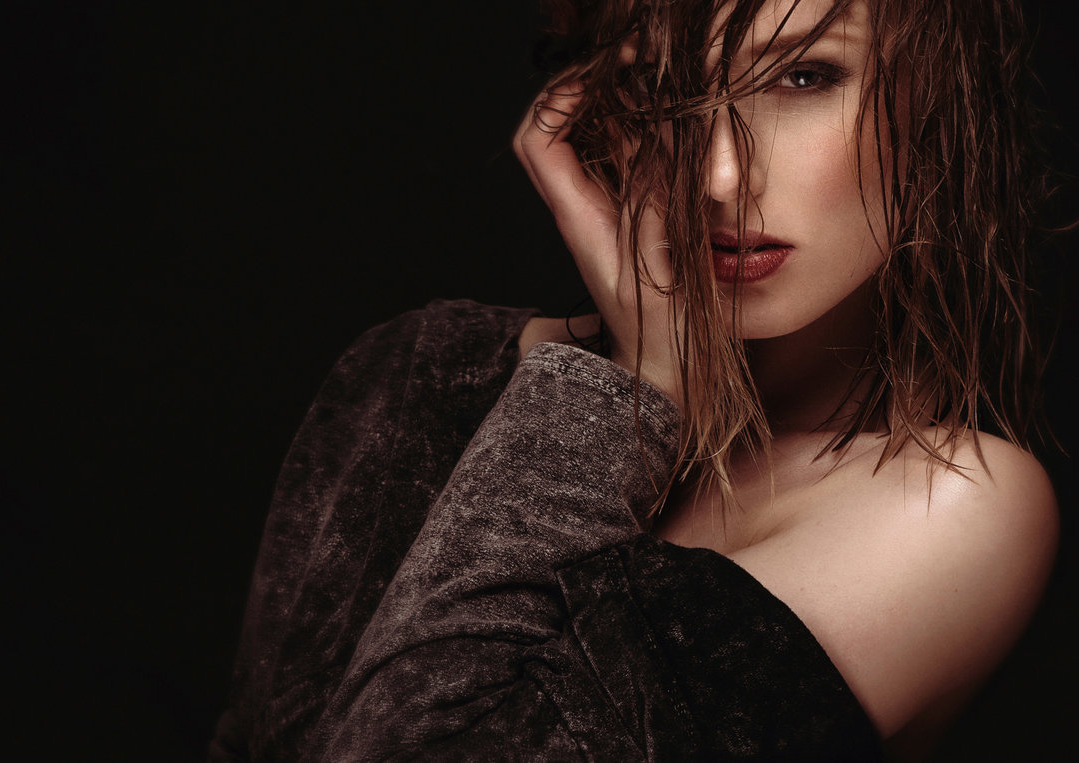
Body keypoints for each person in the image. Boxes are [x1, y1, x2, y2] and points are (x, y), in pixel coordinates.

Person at [209, 0, 1059, 759]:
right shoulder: (419, 374)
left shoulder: (947, 508)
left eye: (804, 75)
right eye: (661, 87)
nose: (719, 176)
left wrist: (639, 381)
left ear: (946, 98)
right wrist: (631, 380)